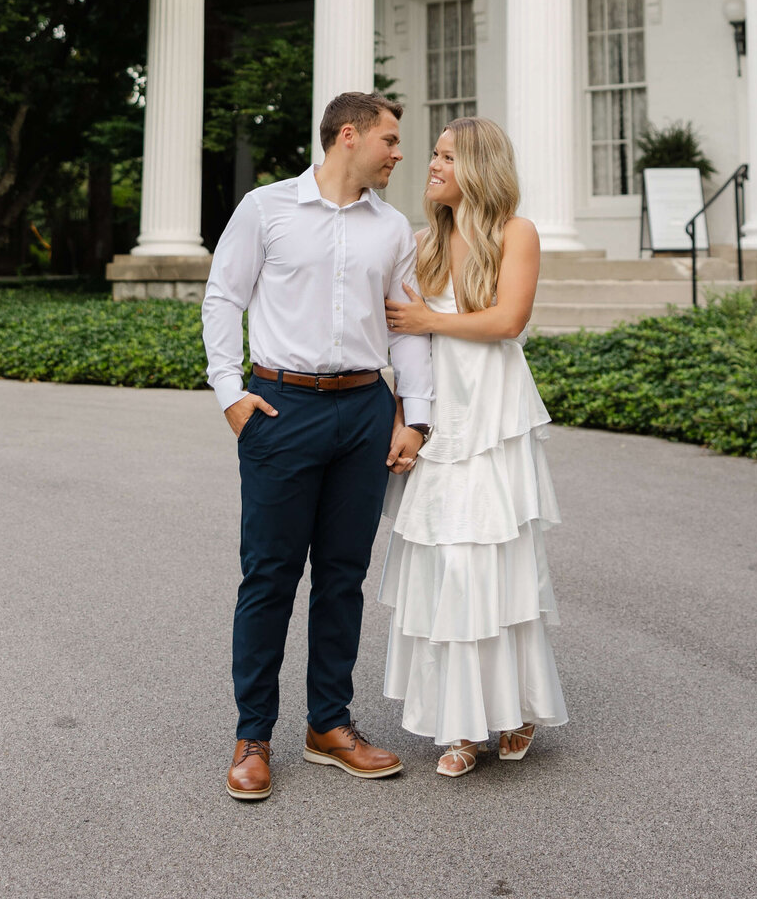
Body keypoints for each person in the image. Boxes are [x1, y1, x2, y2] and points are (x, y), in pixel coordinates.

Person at [202, 90, 434, 802]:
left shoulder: (393, 229)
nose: (400, 152)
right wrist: (230, 394)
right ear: (349, 137)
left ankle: (329, 726)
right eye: (390, 140)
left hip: (365, 409)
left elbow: (405, 327)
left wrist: (414, 417)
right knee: (269, 575)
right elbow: (223, 296)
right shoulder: (266, 209)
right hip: (283, 407)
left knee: (343, 575)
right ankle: (253, 736)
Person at [382, 116, 568, 776]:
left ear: (478, 167)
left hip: (492, 415)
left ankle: (513, 710)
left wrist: (432, 317)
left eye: (445, 156)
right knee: (445, 565)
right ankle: (460, 726)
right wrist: (405, 417)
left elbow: (508, 319)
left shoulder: (516, 233)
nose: (430, 165)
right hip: (439, 416)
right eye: (432, 154)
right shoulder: (423, 241)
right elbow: (407, 348)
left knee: (494, 562)